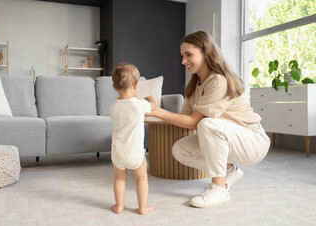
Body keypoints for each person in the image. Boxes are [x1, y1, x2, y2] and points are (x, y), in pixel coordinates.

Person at [147, 31, 270, 208]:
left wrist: (157, 111)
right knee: (180, 150)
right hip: (228, 139)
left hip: (253, 141)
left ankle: (219, 189)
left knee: (206, 123)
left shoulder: (218, 80)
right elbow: (185, 119)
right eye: (182, 56)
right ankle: (229, 170)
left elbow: (195, 122)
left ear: (206, 52)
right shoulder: (194, 86)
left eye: (189, 55)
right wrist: (153, 110)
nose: (183, 61)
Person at [110, 62, 156, 215]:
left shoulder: (113, 106)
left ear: (114, 87)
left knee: (119, 179)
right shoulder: (140, 104)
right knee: (141, 179)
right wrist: (148, 96)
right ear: (137, 84)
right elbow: (153, 106)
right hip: (135, 153)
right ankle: (143, 207)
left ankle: (119, 206)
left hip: (117, 152)